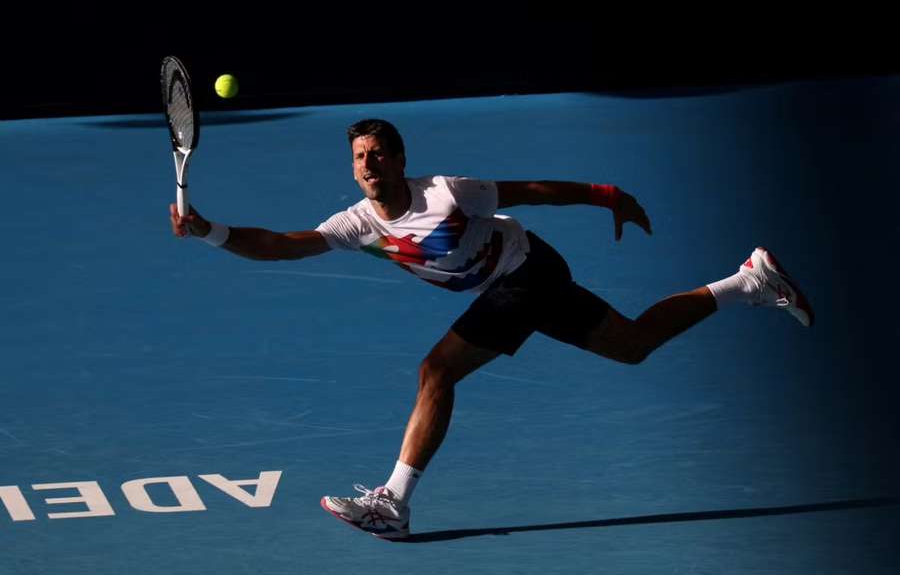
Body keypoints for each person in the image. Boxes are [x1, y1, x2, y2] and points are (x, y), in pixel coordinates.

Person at [169, 118, 813, 540]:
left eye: (377, 154)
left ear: (399, 159)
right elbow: (284, 244)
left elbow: (529, 190)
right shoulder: (358, 223)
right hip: (521, 283)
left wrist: (606, 193)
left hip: (527, 272)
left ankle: (394, 502)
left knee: (436, 371)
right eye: (358, 158)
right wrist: (210, 231)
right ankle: (751, 281)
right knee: (634, 345)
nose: (367, 165)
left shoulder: (447, 193)